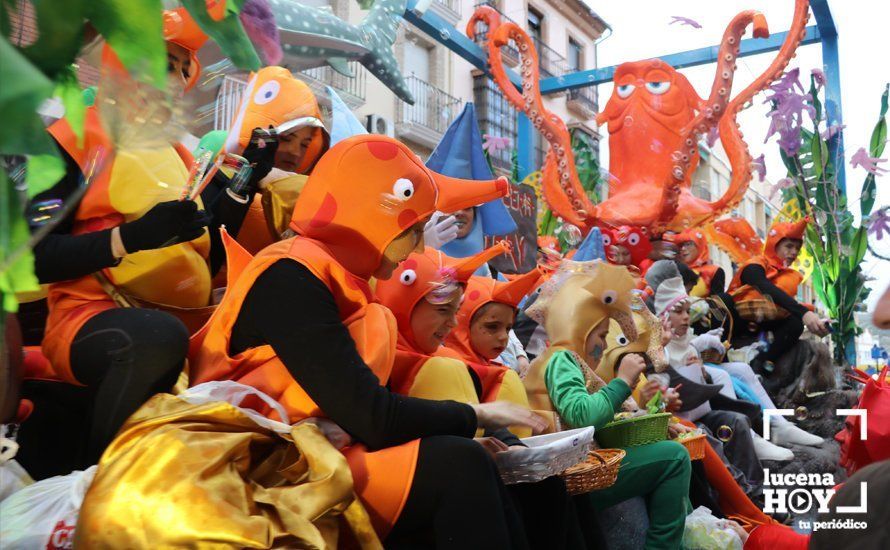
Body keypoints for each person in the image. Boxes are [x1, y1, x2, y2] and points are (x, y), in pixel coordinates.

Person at [190, 134, 547, 547]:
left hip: (310, 456)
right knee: (461, 464)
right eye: (412, 229)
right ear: (370, 211)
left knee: (499, 469)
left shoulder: (341, 280)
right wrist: (480, 415)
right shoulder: (290, 276)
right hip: (255, 469)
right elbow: (372, 417)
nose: (417, 246)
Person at [15, 8, 274, 473]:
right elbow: (35, 259)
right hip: (89, 321)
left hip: (185, 326)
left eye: (181, 66)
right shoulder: (72, 137)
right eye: (162, 62)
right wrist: (128, 238)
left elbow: (207, 250)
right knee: (156, 339)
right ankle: (94, 486)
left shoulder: (177, 152)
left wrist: (249, 173)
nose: (174, 77)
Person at [376, 246, 586, 549]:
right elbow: (381, 420)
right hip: (396, 486)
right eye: (442, 310)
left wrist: (519, 451)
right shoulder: (376, 354)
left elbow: (481, 423)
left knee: (548, 485)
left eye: (454, 311)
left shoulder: (453, 361)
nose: (450, 324)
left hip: (459, 476)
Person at [522, 259, 692, 550]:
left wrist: (655, 425)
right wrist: (622, 382)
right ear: (581, 329)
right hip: (573, 477)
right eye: (600, 335)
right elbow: (580, 415)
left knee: (669, 452)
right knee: (674, 458)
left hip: (583, 470)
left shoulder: (566, 360)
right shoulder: (561, 359)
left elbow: (604, 418)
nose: (602, 345)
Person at [216, 66, 330, 254]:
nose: (295, 152)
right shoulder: (218, 176)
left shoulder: (307, 195)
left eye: (304, 144)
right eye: (286, 139)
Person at [727, 218, 830, 373]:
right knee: (723, 301)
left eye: (797, 247)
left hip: (765, 324)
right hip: (739, 321)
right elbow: (763, 285)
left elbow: (784, 304)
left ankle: (761, 362)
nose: (794, 252)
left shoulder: (788, 275)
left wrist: (815, 322)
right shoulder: (755, 264)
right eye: (789, 246)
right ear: (774, 245)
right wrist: (803, 313)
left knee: (795, 323)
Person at [673, 229, 725, 296]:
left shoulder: (713, 271)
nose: (683, 248)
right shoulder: (673, 269)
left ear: (700, 245)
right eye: (681, 245)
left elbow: (718, 301)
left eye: (688, 244)